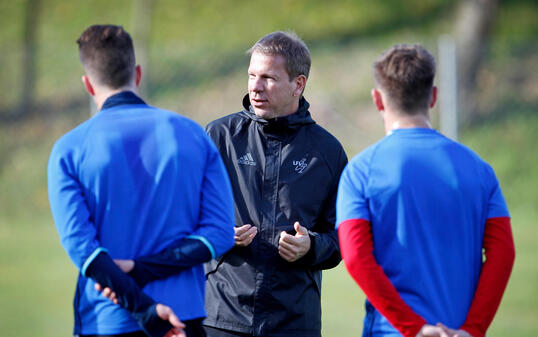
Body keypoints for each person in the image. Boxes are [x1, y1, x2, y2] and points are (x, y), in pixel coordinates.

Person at [101, 31, 348, 337]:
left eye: (269, 78)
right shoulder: (218, 137)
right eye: (252, 75)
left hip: (294, 323)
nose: (255, 87)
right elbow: (176, 218)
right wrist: (219, 237)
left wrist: (311, 246)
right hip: (220, 319)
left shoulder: (327, 152)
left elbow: (342, 237)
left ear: (298, 84)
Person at [47, 24, 235, 337]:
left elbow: (86, 252)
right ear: (137, 73)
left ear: (88, 85)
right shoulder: (193, 136)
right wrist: (145, 270)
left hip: (107, 321)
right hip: (183, 320)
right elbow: (219, 235)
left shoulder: (68, 149)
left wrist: (144, 307)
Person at [336, 44, 515, 337]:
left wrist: (413, 328)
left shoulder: (360, 171)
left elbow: (355, 256)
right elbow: (503, 252)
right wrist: (473, 328)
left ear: (378, 100)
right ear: (433, 96)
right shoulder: (479, 169)